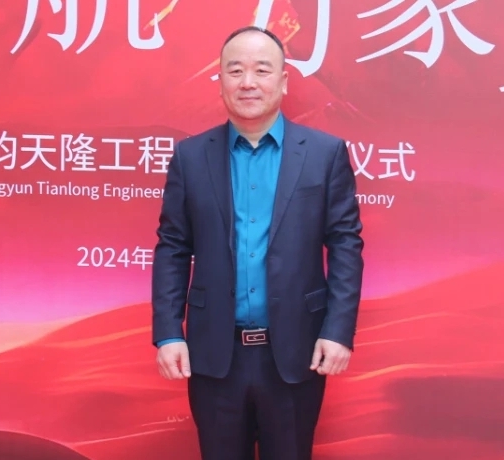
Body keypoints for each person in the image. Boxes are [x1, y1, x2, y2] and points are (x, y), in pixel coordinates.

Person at [151, 26, 364, 460]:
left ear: (283, 82)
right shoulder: (191, 157)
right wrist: (169, 332)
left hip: (296, 353)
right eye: (235, 71)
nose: (248, 82)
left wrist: (338, 331)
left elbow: (345, 244)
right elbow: (172, 246)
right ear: (221, 82)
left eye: (262, 70)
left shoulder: (324, 154)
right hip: (215, 355)